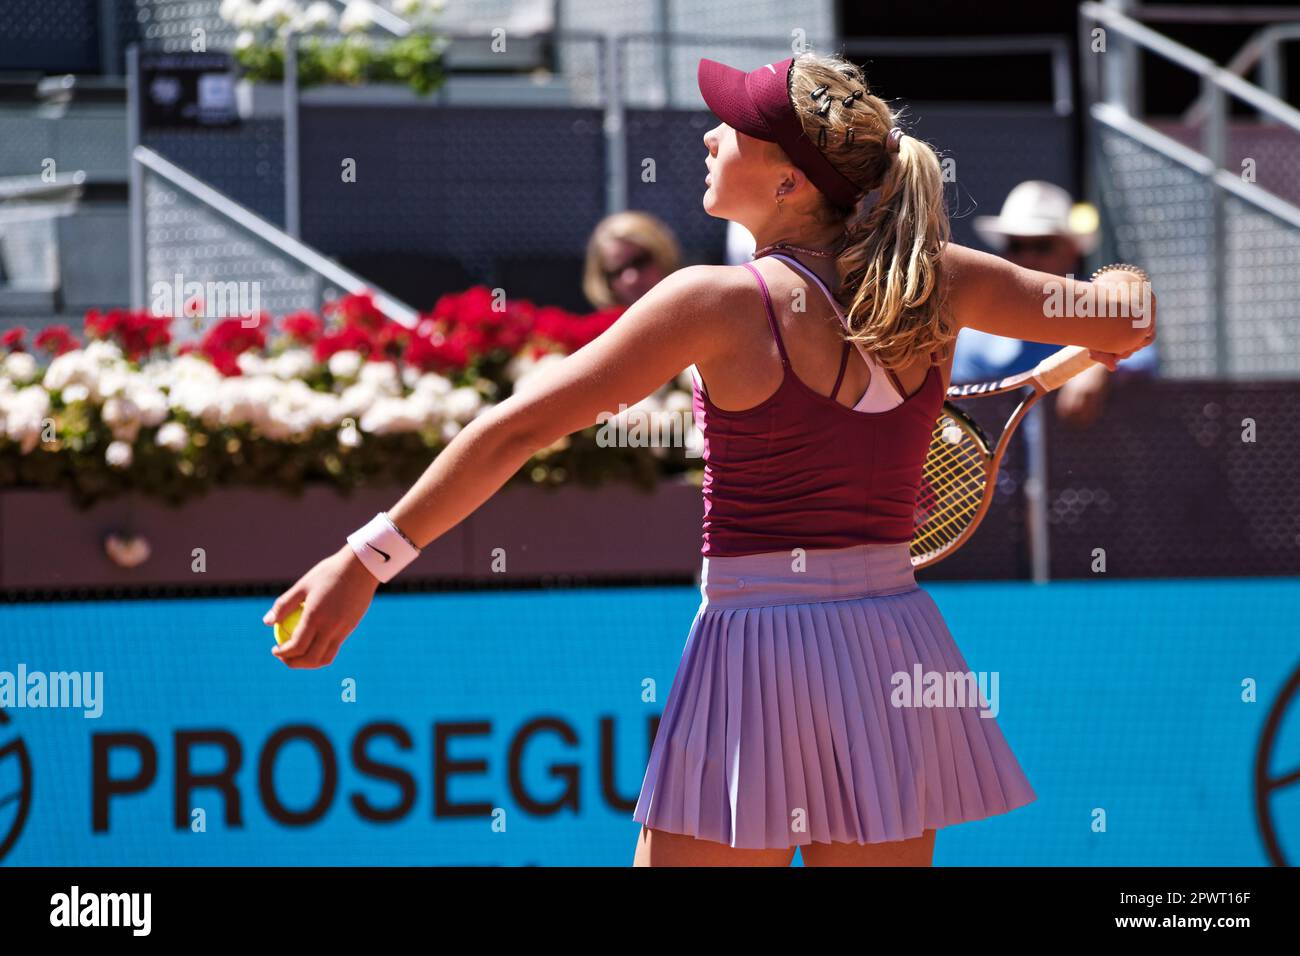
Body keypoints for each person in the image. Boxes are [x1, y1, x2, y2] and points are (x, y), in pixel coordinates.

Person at [261, 51, 1155, 867]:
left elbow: (514, 431)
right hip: (893, 647)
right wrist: (1111, 298)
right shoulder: (941, 279)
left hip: (755, 648)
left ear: (788, 180)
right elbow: (1131, 316)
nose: (709, 135)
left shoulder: (713, 302)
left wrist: (365, 558)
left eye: (732, 127)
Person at [959, 180, 1157, 428]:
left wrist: (1098, 367)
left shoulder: (1098, 303)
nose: (1028, 256)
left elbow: (1144, 351)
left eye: (1042, 245)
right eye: (1017, 245)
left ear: (1071, 250)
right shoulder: (973, 329)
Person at [581, 210, 683, 309]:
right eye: (617, 271)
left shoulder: (695, 312)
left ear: (663, 255)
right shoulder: (604, 326)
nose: (631, 279)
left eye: (640, 261)